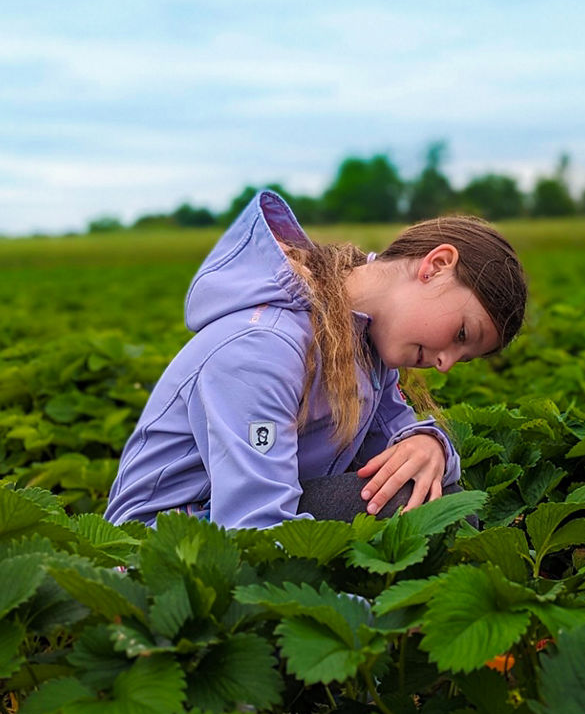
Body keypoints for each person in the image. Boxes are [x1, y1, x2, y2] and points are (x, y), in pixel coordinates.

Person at [105, 190, 526, 530]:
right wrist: (357, 627)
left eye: (463, 357)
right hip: (158, 545)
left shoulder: (364, 344)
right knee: (430, 514)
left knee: (437, 503)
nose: (446, 364)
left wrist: (429, 444)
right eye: (461, 335)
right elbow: (252, 524)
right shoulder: (262, 348)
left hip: (244, 518)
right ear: (436, 265)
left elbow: (397, 446)